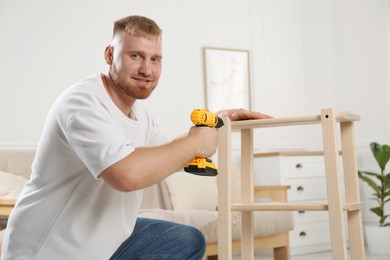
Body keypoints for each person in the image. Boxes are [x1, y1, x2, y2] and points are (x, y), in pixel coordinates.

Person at [1, 15, 271, 259]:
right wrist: (196, 142)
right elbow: (127, 175)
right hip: (51, 251)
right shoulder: (81, 103)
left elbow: (168, 154)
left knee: (185, 241)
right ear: (109, 54)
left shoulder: (139, 114)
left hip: (105, 245)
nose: (147, 70)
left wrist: (219, 122)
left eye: (155, 59)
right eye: (136, 56)